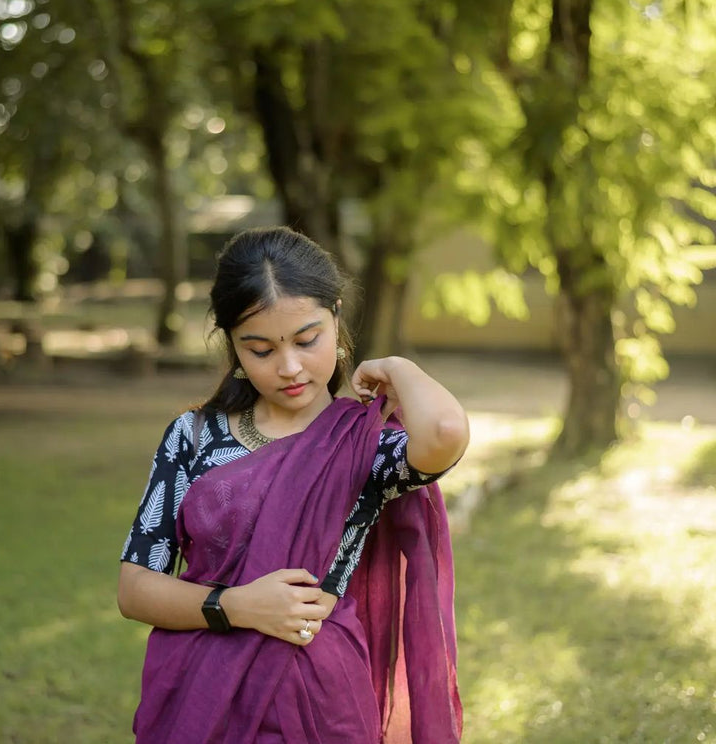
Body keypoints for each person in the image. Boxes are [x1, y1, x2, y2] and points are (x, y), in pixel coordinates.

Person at [118, 226, 469, 743]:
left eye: (308, 340)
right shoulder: (193, 437)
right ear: (232, 345)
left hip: (317, 700)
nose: (289, 367)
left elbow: (444, 434)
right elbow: (135, 588)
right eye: (260, 350)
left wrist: (396, 368)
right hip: (200, 690)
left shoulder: (363, 445)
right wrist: (236, 606)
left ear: (336, 315)